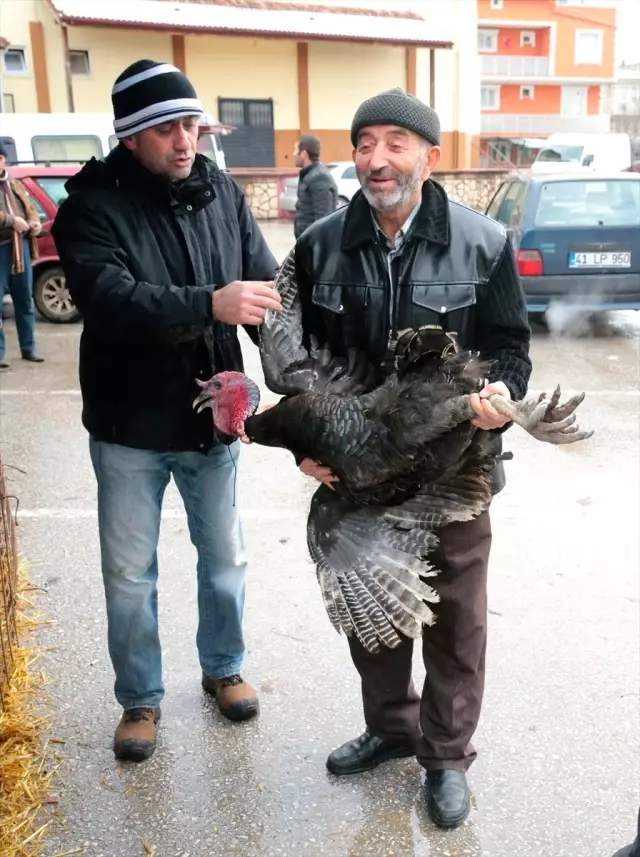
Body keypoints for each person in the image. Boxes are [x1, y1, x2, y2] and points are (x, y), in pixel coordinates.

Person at [292, 88, 532, 829]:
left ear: (429, 154)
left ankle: (446, 755)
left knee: (456, 619)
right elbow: (297, 360)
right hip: (361, 478)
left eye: (396, 141)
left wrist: (503, 394)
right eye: (365, 142)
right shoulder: (319, 245)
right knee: (377, 618)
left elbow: (513, 347)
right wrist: (307, 443)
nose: (376, 158)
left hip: (455, 472)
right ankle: (393, 729)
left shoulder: (482, 243)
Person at [51, 59, 281, 763]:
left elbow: (265, 289)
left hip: (214, 420)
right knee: (129, 572)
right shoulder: (89, 206)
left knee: (225, 558)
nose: (184, 141)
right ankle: (139, 700)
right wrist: (208, 303)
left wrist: (302, 380)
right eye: (165, 129)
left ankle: (223, 667)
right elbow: (110, 301)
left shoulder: (221, 192)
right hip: (129, 424)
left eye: (191, 125)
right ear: (129, 136)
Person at [0, 145, 44, 371]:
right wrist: (10, 220)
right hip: (1, 246)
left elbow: (30, 208)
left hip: (21, 247)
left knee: (24, 299)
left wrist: (34, 222)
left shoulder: (15, 182)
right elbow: (9, 217)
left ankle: (29, 347)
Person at [293, 133, 338, 239]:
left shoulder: (320, 178)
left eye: (295, 150)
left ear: (303, 153)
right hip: (305, 243)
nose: (293, 154)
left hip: (313, 247)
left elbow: (323, 221)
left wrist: (315, 250)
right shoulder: (309, 175)